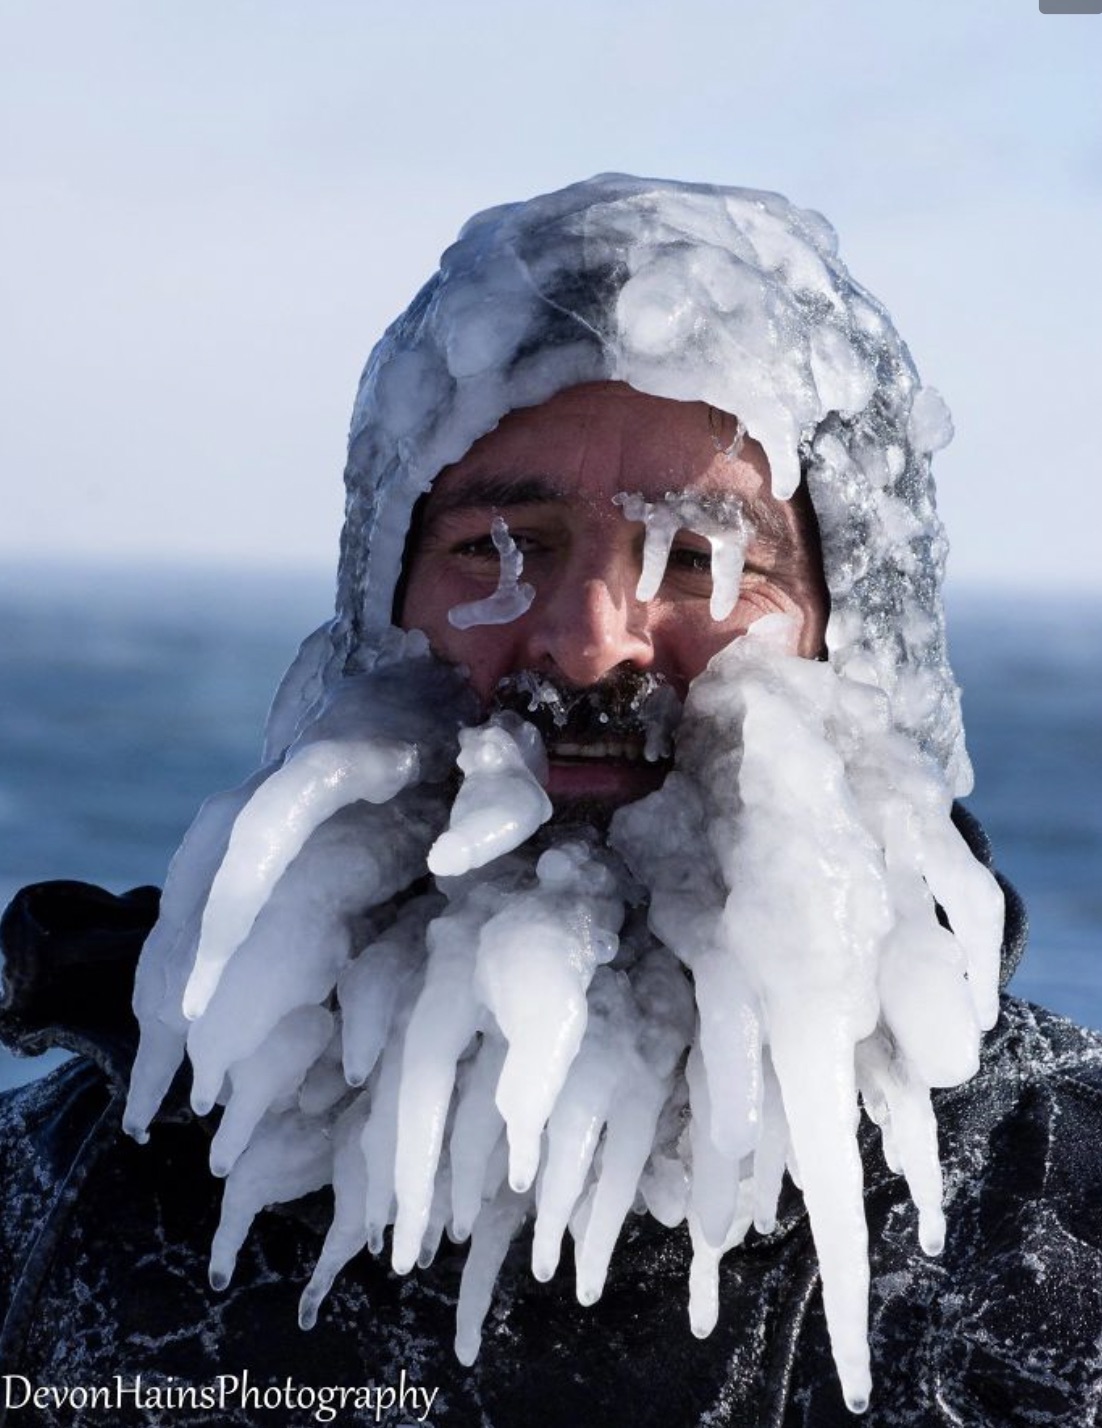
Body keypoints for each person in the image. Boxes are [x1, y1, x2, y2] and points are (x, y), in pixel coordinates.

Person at [3, 174, 1102, 1428]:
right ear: (380, 612)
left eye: (699, 560)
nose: (589, 644)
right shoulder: (57, 1202)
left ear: (858, 650)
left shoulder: (1067, 1227)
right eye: (494, 546)